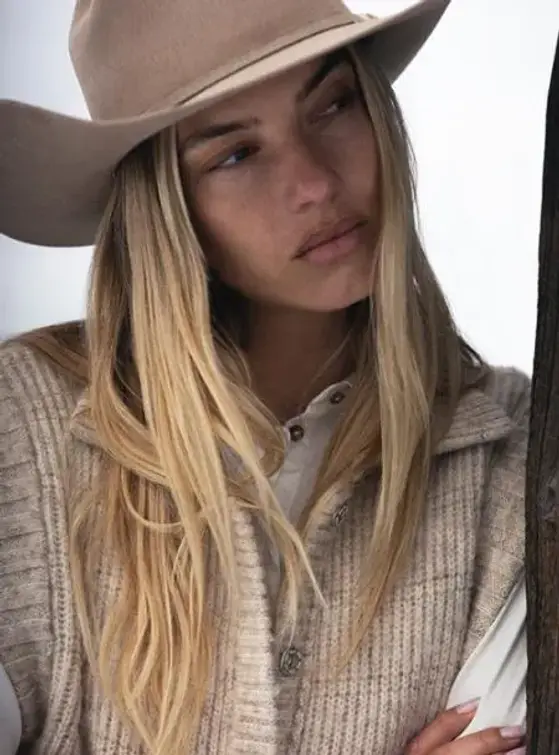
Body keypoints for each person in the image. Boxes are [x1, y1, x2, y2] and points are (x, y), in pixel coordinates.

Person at [0, 0, 529, 753]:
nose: (314, 183)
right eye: (236, 154)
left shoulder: (510, 457)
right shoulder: (25, 433)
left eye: (332, 104)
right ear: (166, 209)